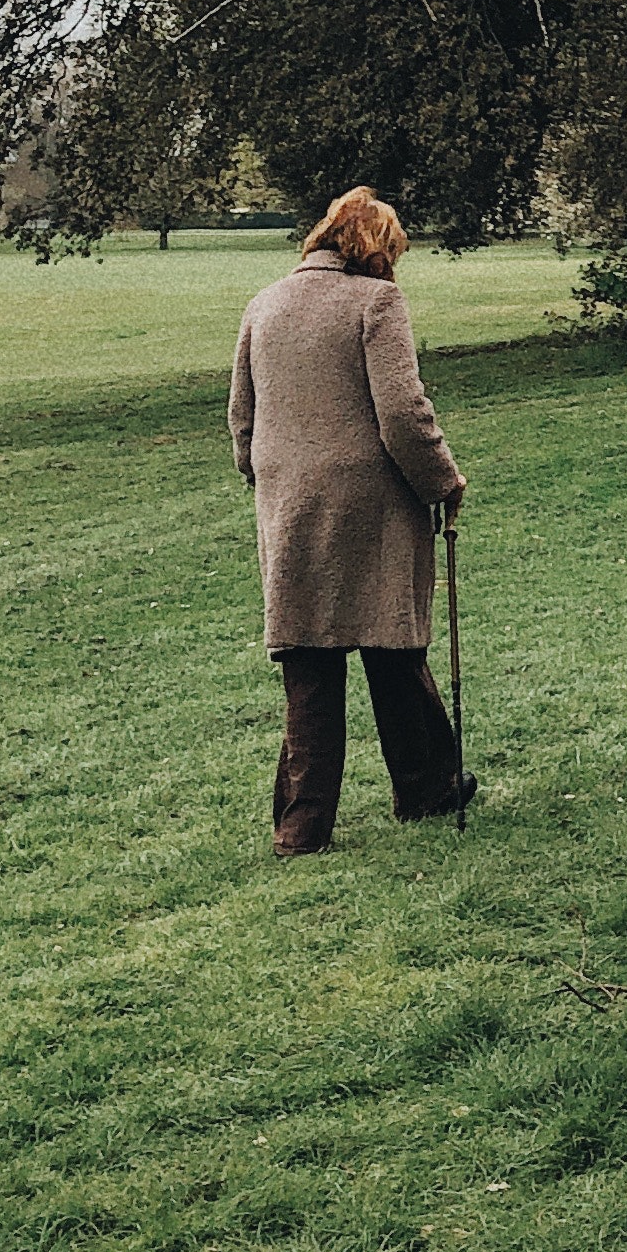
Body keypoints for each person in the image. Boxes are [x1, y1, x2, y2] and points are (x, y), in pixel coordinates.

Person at [229, 185, 472, 854]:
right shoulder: (376, 302)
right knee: (392, 643)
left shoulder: (265, 302)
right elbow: (403, 412)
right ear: (376, 247)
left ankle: (302, 827)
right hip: (370, 503)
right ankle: (426, 786)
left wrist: (270, 479)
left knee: (308, 658)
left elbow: (241, 419)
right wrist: (443, 479)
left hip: (289, 504)